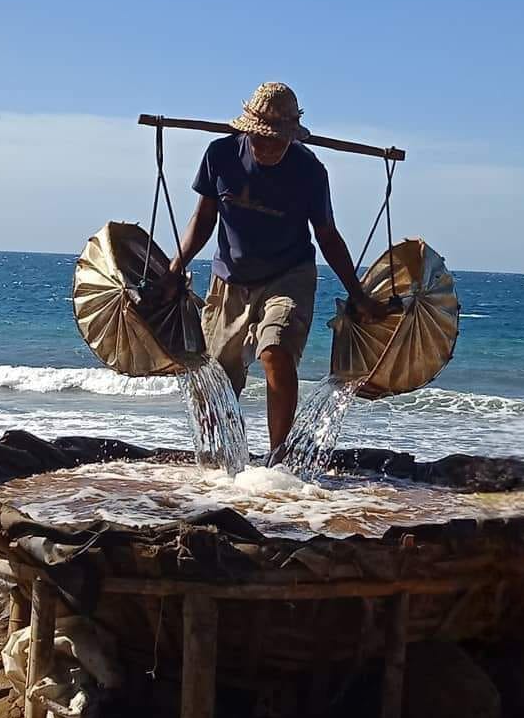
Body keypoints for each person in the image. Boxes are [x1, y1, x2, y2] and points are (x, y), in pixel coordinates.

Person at [167, 82, 390, 452]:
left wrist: (359, 294)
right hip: (229, 280)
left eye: (277, 140)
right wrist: (177, 266)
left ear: (292, 137)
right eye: (260, 138)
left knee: (276, 352)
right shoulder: (219, 155)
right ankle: (224, 459)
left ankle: (278, 459)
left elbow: (327, 236)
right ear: (246, 130)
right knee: (216, 380)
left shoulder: (310, 171)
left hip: (290, 275)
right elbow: (203, 219)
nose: (267, 147)